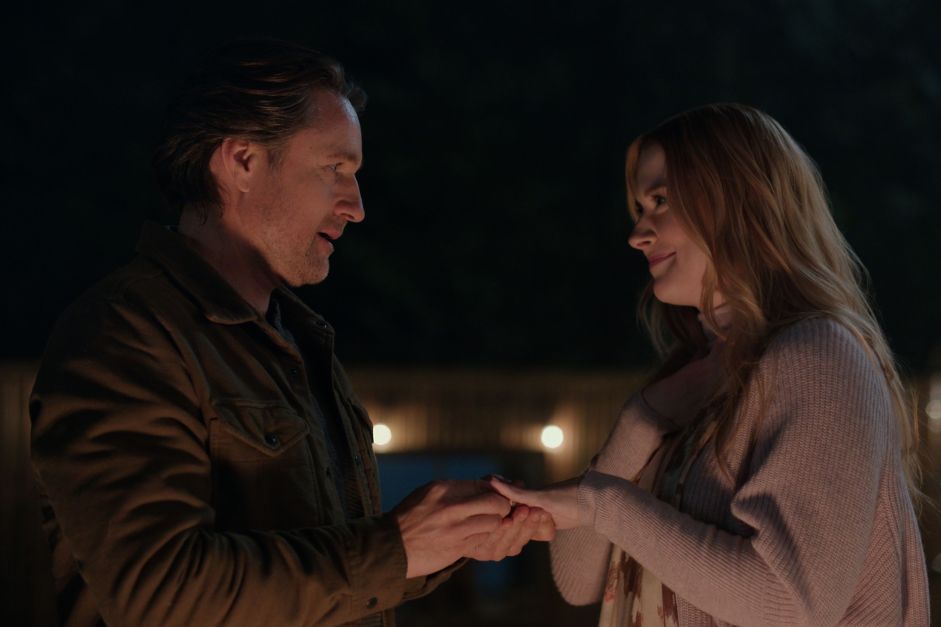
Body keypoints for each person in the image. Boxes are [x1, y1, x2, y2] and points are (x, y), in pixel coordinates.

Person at [29, 39, 552, 627]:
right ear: (242, 161)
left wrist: (447, 540)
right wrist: (397, 548)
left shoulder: (301, 342)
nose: (356, 206)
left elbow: (333, 578)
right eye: (335, 169)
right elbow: (158, 592)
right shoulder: (126, 333)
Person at [493, 103, 930, 625]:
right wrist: (642, 417)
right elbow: (580, 578)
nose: (638, 234)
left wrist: (600, 503)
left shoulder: (818, 357)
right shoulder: (698, 374)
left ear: (739, 199)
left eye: (660, 201)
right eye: (640, 208)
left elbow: (790, 601)